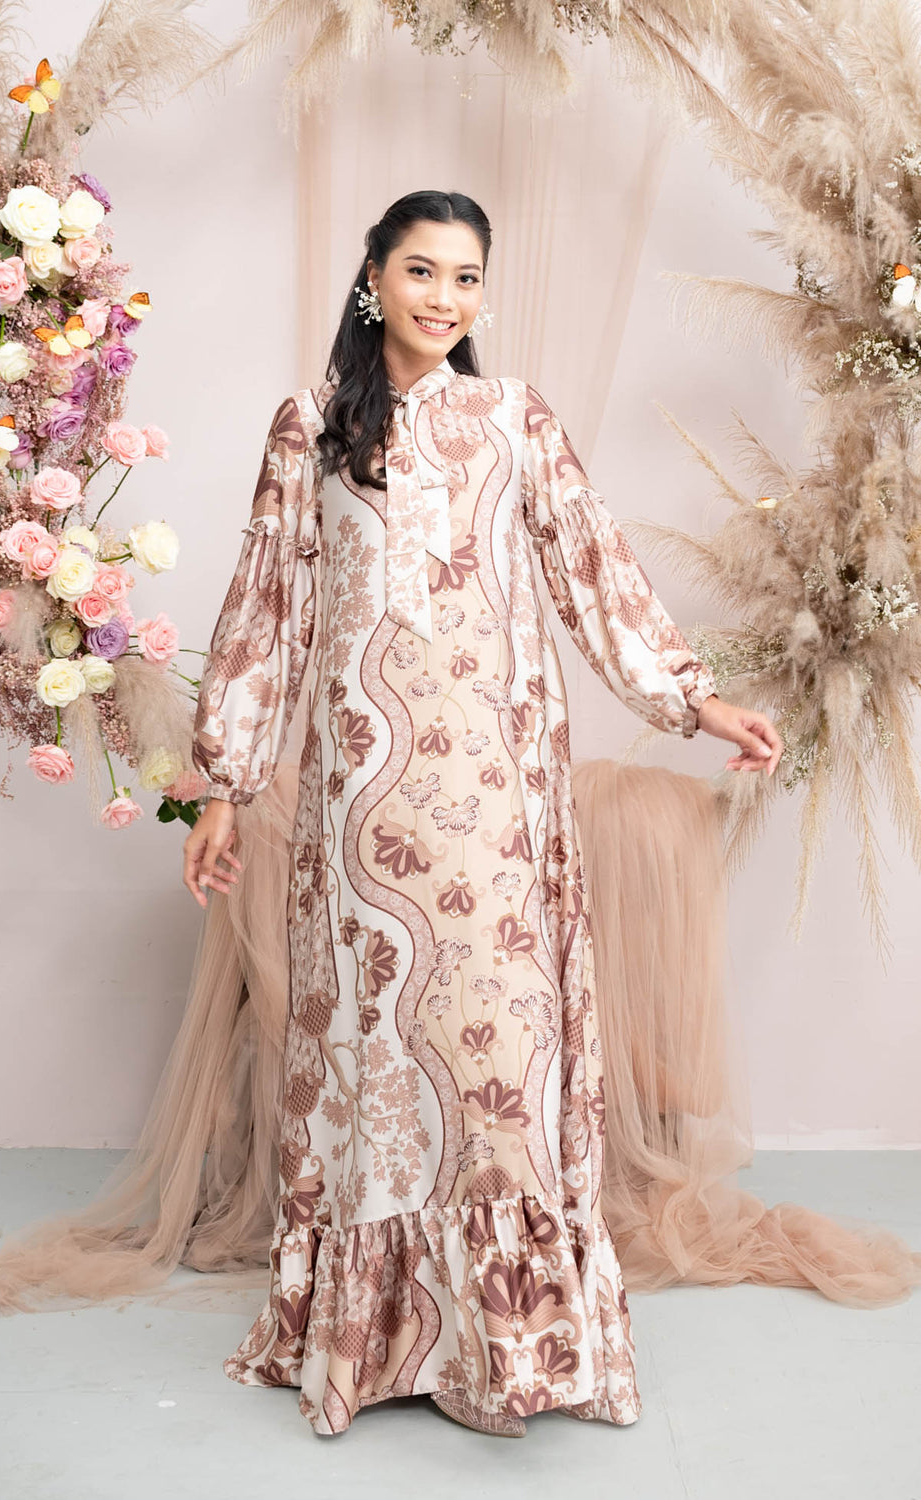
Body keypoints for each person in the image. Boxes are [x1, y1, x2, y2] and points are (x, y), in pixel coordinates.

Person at [182, 188, 782, 1438]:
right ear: (373, 279)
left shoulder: (515, 420)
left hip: (499, 787)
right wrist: (224, 789)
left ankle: (508, 1342)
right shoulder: (309, 428)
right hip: (362, 795)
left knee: (503, 1055)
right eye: (421, 271)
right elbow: (263, 610)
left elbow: (593, 572)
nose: (444, 298)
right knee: (383, 1053)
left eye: (465, 277)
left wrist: (696, 701)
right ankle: (383, 1336)